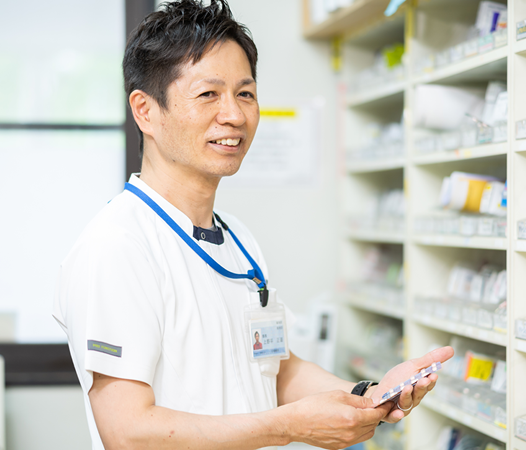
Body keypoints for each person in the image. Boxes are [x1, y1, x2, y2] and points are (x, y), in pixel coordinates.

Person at [52, 1, 454, 449]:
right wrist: (287, 427)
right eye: (209, 94)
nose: (235, 116)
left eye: (245, 93)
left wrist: (370, 395)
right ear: (146, 111)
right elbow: (127, 432)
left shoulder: (238, 241)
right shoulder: (118, 246)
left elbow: (275, 367)